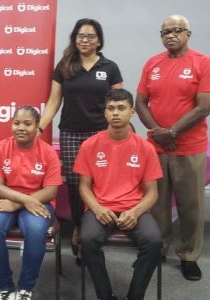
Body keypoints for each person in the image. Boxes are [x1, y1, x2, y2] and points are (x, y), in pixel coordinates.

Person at [135, 15, 210, 281]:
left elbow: (203, 107)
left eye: (176, 30)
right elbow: (140, 103)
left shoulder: (202, 62)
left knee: (190, 205)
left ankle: (189, 255)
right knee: (156, 203)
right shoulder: (152, 63)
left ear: (188, 34)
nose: (170, 35)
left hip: (189, 148)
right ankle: (157, 248)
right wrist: (159, 134)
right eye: (165, 32)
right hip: (157, 148)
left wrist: (173, 132)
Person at [39, 18, 123, 259]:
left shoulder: (110, 67)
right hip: (71, 134)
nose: (84, 40)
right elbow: (54, 101)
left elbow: (118, 103)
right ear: (74, 39)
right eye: (80, 36)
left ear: (99, 40)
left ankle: (95, 230)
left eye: (90, 36)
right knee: (76, 185)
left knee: (99, 184)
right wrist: (40, 126)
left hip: (100, 134)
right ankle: (78, 226)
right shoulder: (65, 66)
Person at [74, 89, 162, 300]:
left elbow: (152, 193)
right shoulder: (89, 145)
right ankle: (106, 295)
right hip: (100, 208)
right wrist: (97, 208)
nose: (115, 113)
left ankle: (135, 296)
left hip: (134, 208)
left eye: (121, 108)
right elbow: (84, 187)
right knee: (86, 240)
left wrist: (136, 211)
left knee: (154, 242)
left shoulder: (146, 148)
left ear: (132, 112)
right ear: (104, 113)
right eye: (111, 109)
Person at [0, 105, 62, 300]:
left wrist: (19, 203)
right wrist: (23, 200)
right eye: (16, 123)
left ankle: (25, 288)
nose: (21, 128)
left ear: (37, 127)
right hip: (5, 199)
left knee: (36, 232)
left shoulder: (48, 152)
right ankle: (6, 287)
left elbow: (51, 190)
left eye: (28, 124)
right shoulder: (2, 148)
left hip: (39, 201)